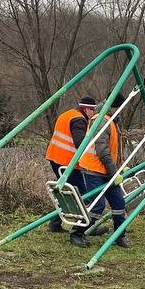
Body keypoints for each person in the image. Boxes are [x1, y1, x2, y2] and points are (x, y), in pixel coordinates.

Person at [44, 97, 107, 236]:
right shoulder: (79, 120)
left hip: (55, 157)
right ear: (86, 109)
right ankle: (85, 227)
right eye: (93, 110)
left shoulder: (67, 114)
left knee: (66, 193)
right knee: (83, 194)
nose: (94, 113)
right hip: (68, 163)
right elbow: (80, 143)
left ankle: (55, 223)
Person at [76, 100, 129, 248]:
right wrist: (115, 172)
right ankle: (77, 233)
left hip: (106, 170)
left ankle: (120, 235)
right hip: (94, 170)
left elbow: (112, 149)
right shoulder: (101, 121)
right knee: (96, 206)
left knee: (119, 203)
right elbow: (102, 151)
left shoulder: (111, 121)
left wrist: (119, 167)